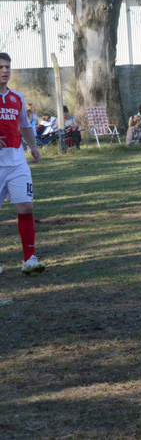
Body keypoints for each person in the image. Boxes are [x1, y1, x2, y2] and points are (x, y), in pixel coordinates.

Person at [0, 52, 45, 276]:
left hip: (17, 163)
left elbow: (24, 125)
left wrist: (33, 147)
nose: (4, 70)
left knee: (26, 207)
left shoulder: (17, 97)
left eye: (7, 66)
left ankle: (29, 259)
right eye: (0, 67)